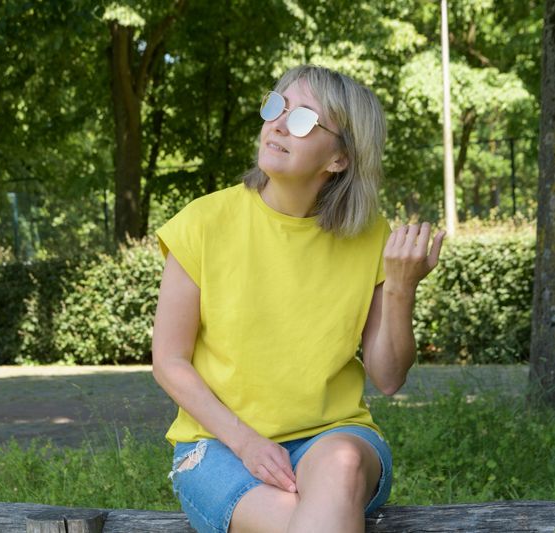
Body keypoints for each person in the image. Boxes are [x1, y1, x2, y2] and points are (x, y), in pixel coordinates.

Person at [152, 64, 444, 533]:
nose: (279, 124)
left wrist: (401, 288)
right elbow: (169, 361)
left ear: (339, 159)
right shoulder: (202, 222)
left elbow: (388, 377)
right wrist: (247, 442)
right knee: (302, 522)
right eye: (276, 106)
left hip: (334, 438)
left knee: (342, 464)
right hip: (218, 444)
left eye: (305, 119)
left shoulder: (370, 236)